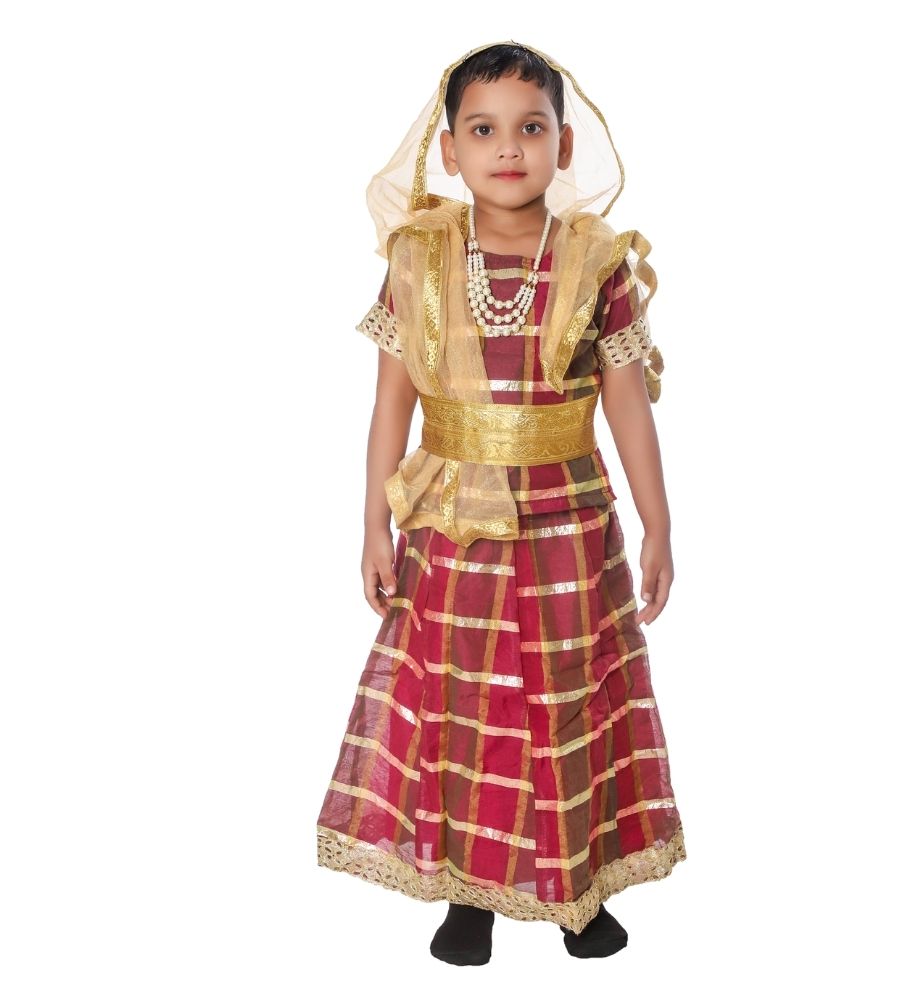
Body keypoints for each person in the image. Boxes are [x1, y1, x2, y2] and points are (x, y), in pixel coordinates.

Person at [316, 40, 687, 964]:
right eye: (483, 131)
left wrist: (658, 523)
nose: (509, 147)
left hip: (568, 523)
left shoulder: (596, 262)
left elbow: (626, 401)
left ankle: (577, 893)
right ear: (449, 151)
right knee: (460, 700)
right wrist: (371, 522)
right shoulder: (419, 258)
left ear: (565, 145)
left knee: (569, 696)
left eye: (531, 127)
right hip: (452, 526)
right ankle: (465, 895)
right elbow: (392, 401)